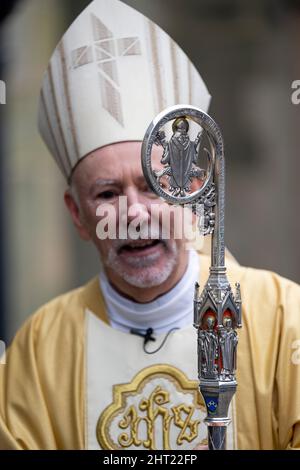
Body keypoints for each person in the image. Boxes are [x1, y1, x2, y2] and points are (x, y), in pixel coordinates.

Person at [0, 0, 300, 451]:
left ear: (194, 192)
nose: (134, 215)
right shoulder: (40, 349)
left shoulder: (284, 321)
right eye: (106, 194)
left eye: (154, 186)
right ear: (77, 215)